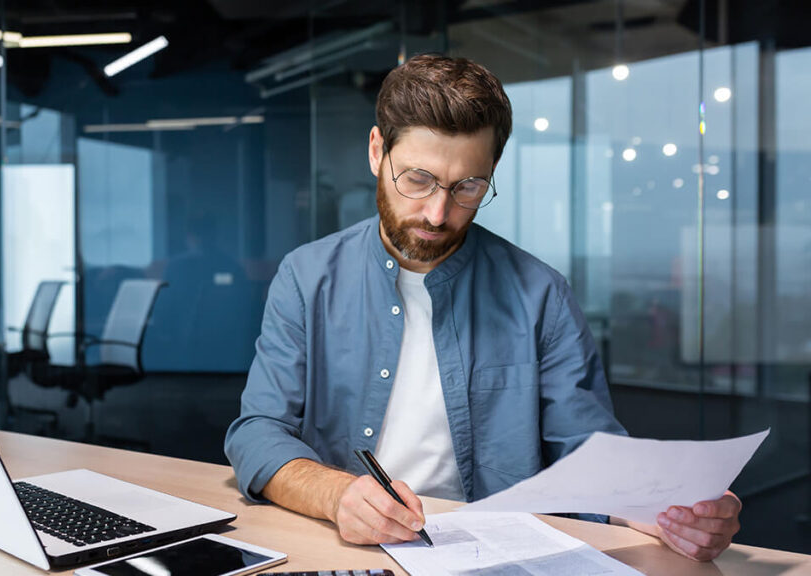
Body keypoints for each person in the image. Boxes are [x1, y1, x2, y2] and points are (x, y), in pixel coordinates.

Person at [224, 53, 740, 562]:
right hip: (343, 548)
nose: (437, 211)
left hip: (490, 556)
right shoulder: (307, 275)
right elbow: (258, 432)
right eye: (418, 179)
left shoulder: (540, 293)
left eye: (468, 187)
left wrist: (664, 508)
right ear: (377, 151)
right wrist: (337, 495)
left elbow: (587, 451)